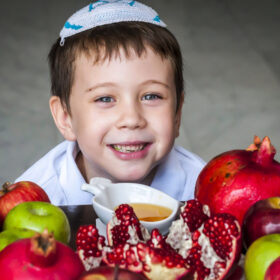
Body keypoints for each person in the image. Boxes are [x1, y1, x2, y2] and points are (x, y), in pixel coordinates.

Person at [16, 0, 205, 205]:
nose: (132, 119)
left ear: (177, 115)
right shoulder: (39, 197)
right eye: (105, 98)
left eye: (151, 96)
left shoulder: (202, 189)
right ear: (65, 118)